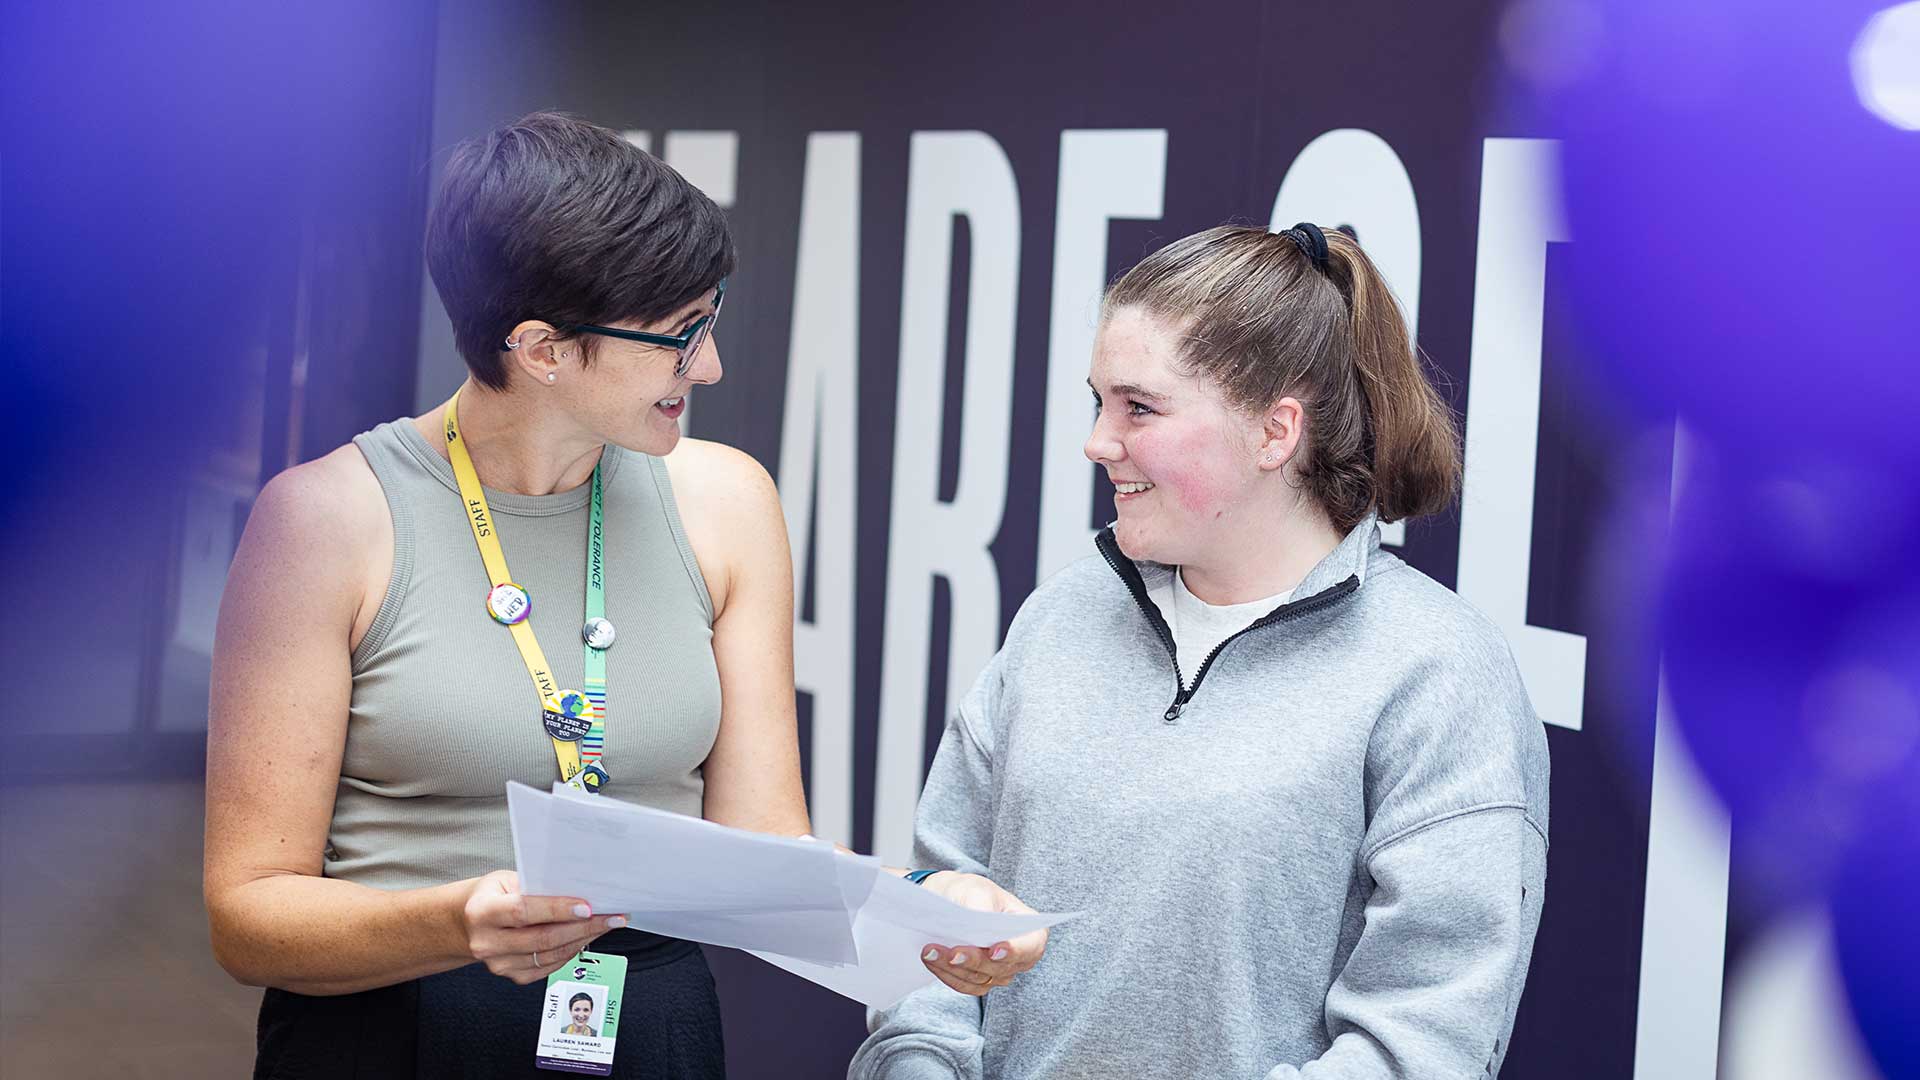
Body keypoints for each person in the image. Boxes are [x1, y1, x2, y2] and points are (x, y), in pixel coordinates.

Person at [203, 111, 1041, 1080]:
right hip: (395, 1028)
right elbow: (248, 917)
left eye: (709, 321)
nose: (710, 365)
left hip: (648, 1025)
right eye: (680, 337)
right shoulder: (323, 521)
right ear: (541, 349)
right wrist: (458, 921)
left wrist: (932, 903)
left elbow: (764, 851)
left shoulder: (728, 502)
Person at [851, 224, 1551, 1079]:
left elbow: (1424, 1041)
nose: (1097, 441)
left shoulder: (1437, 673)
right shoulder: (1061, 617)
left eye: (1139, 408)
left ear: (1275, 432)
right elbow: (940, 905)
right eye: (1098, 402)